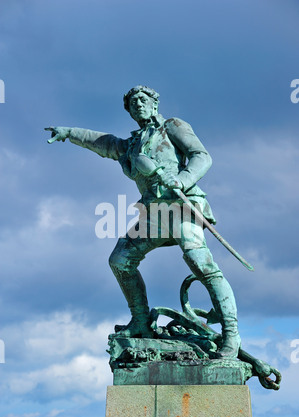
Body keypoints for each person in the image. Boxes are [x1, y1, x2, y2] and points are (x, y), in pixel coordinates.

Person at [45, 85, 241, 358]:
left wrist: (182, 179)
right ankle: (140, 320)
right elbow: (103, 142)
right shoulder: (131, 144)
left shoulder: (172, 126)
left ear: (154, 104)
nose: (138, 103)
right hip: (154, 213)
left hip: (181, 205)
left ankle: (231, 336)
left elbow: (202, 156)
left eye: (143, 99)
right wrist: (69, 133)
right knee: (120, 260)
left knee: (200, 262)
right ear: (129, 111)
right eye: (132, 102)